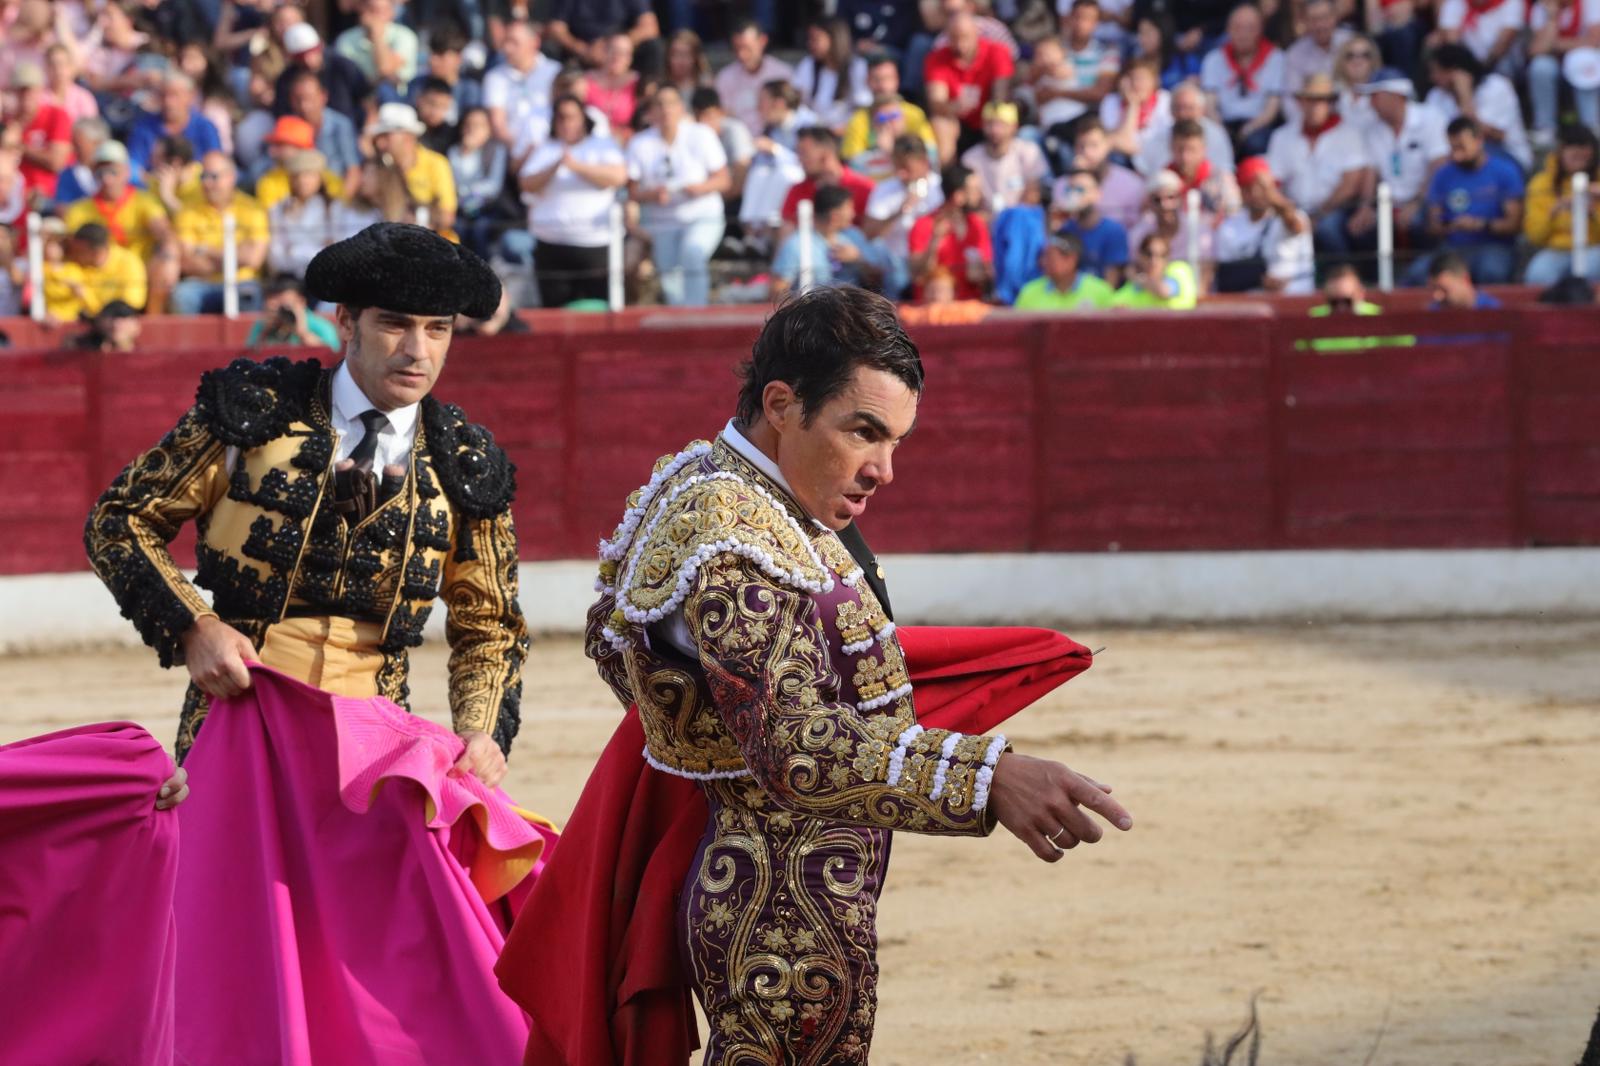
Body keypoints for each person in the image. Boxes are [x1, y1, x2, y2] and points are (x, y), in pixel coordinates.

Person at [551, 284, 1130, 1064]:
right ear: (782, 404)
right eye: (863, 433)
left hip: (772, 873)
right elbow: (798, 750)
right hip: (774, 901)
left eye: (894, 442)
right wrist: (987, 775)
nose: (884, 470)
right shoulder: (732, 539)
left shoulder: (735, 493)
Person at [87, 220, 523, 762]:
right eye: (394, 324)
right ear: (345, 321)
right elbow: (121, 519)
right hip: (237, 729)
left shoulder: (463, 463)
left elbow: (490, 625)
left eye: (438, 329)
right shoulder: (256, 414)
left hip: (377, 751)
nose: (418, 351)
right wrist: (193, 626)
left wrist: (481, 733)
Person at [626, 84, 729, 306]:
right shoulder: (639, 142)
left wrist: (699, 188)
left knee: (693, 253)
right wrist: (652, 195)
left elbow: (723, 179)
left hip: (703, 216)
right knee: (669, 278)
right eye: (660, 105)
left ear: (681, 108)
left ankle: (698, 317)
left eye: (671, 104)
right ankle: (679, 321)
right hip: (663, 222)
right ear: (651, 111)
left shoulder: (701, 134)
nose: (666, 110)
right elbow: (632, 191)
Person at [522, 93, 627, 308]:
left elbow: (617, 177)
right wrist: (555, 165)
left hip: (595, 243)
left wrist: (577, 166)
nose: (567, 123)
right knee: (554, 309)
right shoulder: (545, 148)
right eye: (561, 118)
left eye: (572, 117)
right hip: (551, 243)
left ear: (583, 119)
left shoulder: (602, 145)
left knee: (597, 307)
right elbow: (526, 183)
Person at [1265, 72, 1373, 258]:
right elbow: (1273, 182)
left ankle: (1341, 275)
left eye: (1321, 101)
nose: (1314, 106)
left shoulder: (1349, 134)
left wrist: (1320, 214)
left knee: (1329, 228)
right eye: (1309, 100)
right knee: (1274, 228)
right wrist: (1289, 212)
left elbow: (1351, 184)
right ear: (1300, 103)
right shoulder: (1282, 136)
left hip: (1336, 209)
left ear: (1330, 104)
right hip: (1294, 210)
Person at [1411, 116, 1524, 285]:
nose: (1457, 155)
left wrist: (1480, 225)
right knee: (1417, 274)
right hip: (1453, 247)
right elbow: (1433, 222)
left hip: (1494, 245)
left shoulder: (1505, 171)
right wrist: (1446, 224)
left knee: (1491, 272)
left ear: (1479, 140)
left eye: (1462, 148)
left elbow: (1514, 224)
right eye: (1452, 148)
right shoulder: (1443, 174)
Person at [1357, 70, 1449, 248]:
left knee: (1418, 221)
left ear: (1396, 95)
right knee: (1359, 226)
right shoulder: (1373, 130)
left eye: (1376, 96)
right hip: (1386, 205)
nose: (1371, 103)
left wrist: (1416, 203)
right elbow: (1371, 172)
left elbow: (1438, 167)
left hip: (1425, 200)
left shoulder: (1430, 118)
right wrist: (1365, 207)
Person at [171, 152, 269, 314]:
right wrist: (234, 257)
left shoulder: (252, 209)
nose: (207, 183)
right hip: (202, 283)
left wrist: (204, 250)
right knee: (182, 296)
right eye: (203, 176)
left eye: (214, 177)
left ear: (231, 177)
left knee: (249, 295)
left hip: (242, 282)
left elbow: (253, 259)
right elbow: (187, 262)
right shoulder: (187, 211)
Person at [1423, 43, 1533, 172]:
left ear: (1454, 72)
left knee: (1478, 151)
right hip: (1456, 156)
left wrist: (1465, 96)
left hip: (1506, 156)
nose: (1432, 78)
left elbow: (1493, 136)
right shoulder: (1435, 96)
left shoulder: (1496, 87)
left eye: (1436, 71)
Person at [770, 182, 893, 295]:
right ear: (835, 215)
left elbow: (879, 280)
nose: (853, 214)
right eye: (849, 208)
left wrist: (858, 260)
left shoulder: (854, 236)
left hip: (852, 311)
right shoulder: (797, 245)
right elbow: (778, 289)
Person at [924, 10, 1015, 163]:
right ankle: (947, 176)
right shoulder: (937, 59)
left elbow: (1001, 96)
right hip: (958, 124)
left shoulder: (997, 52)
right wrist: (955, 107)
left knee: (1001, 119)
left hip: (988, 118)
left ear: (976, 33)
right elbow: (936, 102)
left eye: (965, 37)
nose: (960, 45)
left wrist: (989, 117)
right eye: (954, 38)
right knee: (941, 123)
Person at [1214, 155, 1314, 294]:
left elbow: (1296, 226)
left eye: (1262, 188)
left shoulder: (1291, 216)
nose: (1256, 194)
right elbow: (1225, 274)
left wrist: (1271, 194)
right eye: (1248, 187)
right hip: (1253, 304)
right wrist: (1258, 279)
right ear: (1241, 191)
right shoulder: (1230, 226)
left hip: (1295, 298)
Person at [61, 141, 171, 265]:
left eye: (113, 171)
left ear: (126, 172)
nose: (106, 179)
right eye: (100, 172)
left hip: (137, 276)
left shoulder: (145, 201)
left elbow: (165, 235)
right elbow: (71, 246)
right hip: (94, 276)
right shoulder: (78, 209)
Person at [861, 133, 942, 298]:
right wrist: (900, 211)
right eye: (897, 167)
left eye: (907, 168)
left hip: (932, 261)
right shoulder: (884, 190)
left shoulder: (940, 188)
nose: (901, 174)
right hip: (896, 264)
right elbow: (869, 234)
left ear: (924, 162)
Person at [1200, 3, 1285, 158]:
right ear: (1228, 29)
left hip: (1258, 124)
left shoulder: (1275, 58)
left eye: (1250, 28)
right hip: (1223, 123)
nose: (1243, 34)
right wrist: (1221, 130)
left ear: (1260, 29)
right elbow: (1209, 104)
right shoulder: (1214, 59)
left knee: (1256, 142)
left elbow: (1272, 108)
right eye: (1237, 28)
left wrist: (1248, 129)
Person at [1524, 123, 1600, 285]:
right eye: (1572, 147)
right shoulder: (1541, 184)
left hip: (1594, 248)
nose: (1578, 153)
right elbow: (1534, 236)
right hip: (1556, 250)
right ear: (1560, 151)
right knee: (1538, 275)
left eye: (1584, 147)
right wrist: (1555, 211)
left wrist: (1593, 213)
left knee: (1591, 270)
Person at [368, 102, 457, 234]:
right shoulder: (379, 167)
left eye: (387, 136)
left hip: (435, 245)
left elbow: (447, 217)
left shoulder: (436, 164)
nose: (380, 143)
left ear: (408, 137)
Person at [908, 162, 992, 299]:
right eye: (975, 190)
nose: (980, 195)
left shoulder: (976, 225)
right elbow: (917, 274)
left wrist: (982, 274)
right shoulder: (924, 225)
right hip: (933, 311)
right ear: (958, 196)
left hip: (970, 308)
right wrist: (934, 242)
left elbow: (986, 271)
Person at [1031, 0, 1119, 132]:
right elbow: (1034, 84)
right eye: (1077, 16)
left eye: (1088, 19)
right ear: (1069, 18)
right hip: (1051, 119)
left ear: (1096, 23)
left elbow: (1100, 93)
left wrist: (1057, 93)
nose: (1081, 23)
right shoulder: (1054, 49)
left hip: (1086, 123)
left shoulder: (1107, 52)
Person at [483, 20, 560, 164]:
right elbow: (498, 124)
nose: (507, 48)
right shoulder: (494, 77)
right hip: (511, 155)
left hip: (551, 152)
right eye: (505, 42)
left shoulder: (555, 72)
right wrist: (521, 153)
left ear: (535, 42)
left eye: (514, 42)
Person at [1527, 0, 1600, 147]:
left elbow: (1595, 41)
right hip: (1556, 67)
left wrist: (1554, 45)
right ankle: (1545, 127)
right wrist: (1552, 18)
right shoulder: (1542, 8)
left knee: (1583, 60)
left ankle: (1591, 124)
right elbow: (1536, 50)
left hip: (1584, 64)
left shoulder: (1592, 3)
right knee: (1540, 67)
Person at [43, 222, 147, 321]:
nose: (74, 255)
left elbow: (130, 307)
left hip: (116, 324)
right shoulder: (74, 266)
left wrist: (84, 295)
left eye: (79, 251)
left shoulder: (129, 263)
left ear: (96, 252)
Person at [1135, 80, 1235, 184]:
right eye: (1178, 108)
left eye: (1189, 108)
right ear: (1170, 110)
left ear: (1201, 110)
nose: (1183, 114)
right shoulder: (1159, 135)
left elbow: (1225, 171)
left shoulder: (1216, 134)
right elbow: (1143, 169)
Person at [841, 53, 935, 162]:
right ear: (867, 81)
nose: (883, 86)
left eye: (888, 78)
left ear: (897, 80)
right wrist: (877, 151)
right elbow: (852, 163)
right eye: (876, 79)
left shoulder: (914, 114)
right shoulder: (858, 119)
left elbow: (932, 157)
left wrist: (899, 146)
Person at [127, 72, 221, 179]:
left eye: (174, 95)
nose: (168, 102)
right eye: (163, 95)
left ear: (190, 96)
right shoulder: (144, 127)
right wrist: (151, 179)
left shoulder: (205, 127)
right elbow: (133, 166)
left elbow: (215, 163)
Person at [274, 22, 371, 126]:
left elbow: (368, 99)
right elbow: (283, 115)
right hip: (304, 134)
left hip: (350, 129)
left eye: (311, 52)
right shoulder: (286, 80)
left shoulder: (342, 66)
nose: (308, 60)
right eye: (301, 56)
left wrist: (366, 132)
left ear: (321, 46)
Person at [960, 100, 1046, 212]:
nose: (994, 130)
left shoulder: (1029, 152)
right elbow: (971, 200)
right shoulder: (970, 159)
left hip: (1019, 218)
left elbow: (1033, 194)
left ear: (1014, 126)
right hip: (986, 219)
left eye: (1001, 124)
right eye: (989, 124)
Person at [286, 68, 362, 192]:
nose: (304, 106)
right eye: (299, 99)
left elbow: (353, 171)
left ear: (323, 96)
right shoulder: (288, 127)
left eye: (309, 98)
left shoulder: (341, 125)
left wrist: (340, 204)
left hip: (335, 194)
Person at [781, 125, 876, 225]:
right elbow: (787, 229)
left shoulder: (864, 188)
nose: (799, 159)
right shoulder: (798, 191)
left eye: (804, 153)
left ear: (826, 154)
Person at [449, 106, 509, 261]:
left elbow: (493, 187)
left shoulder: (496, 150)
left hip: (487, 209)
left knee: (479, 230)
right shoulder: (454, 152)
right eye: (468, 124)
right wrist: (466, 154)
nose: (471, 129)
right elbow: (452, 183)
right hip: (460, 210)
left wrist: (466, 192)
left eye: (478, 125)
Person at [266, 150, 337, 280]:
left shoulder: (334, 207)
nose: (302, 181)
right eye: (297, 175)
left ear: (320, 177)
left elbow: (334, 252)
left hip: (325, 277)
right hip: (290, 279)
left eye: (309, 174)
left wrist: (293, 251)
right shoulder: (278, 209)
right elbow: (276, 257)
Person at [715, 20, 794, 135]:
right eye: (737, 49)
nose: (742, 55)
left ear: (763, 41)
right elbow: (722, 117)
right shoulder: (725, 78)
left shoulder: (783, 74)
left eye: (747, 48)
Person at [6, 62, 70, 200]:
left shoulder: (56, 116)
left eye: (30, 89)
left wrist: (18, 147)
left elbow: (56, 162)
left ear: (40, 90)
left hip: (46, 196)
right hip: (10, 195)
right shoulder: (7, 122)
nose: (26, 95)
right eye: (21, 90)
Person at [1054, 166, 1129, 285]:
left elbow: (1110, 285)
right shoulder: (1065, 229)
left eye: (1079, 190)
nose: (1074, 196)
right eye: (1069, 190)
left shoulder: (1113, 231)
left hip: (1098, 300)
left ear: (1097, 194)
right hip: (1068, 299)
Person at [792, 17, 870, 131]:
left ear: (834, 39)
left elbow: (862, 106)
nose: (810, 44)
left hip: (847, 132)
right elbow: (796, 100)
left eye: (816, 39)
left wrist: (843, 128)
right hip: (815, 132)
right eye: (809, 39)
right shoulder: (808, 64)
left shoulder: (856, 66)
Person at [333, 0, 417, 101]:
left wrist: (376, 36)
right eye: (371, 9)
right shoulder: (345, 39)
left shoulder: (405, 36)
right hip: (357, 99)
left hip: (398, 100)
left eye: (380, 11)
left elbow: (385, 68)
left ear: (391, 13)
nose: (375, 16)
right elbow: (346, 79)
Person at [254, 115, 344, 208]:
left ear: (301, 148)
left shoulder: (330, 181)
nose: (272, 151)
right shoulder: (269, 182)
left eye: (280, 145)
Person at [1014, 230, 1116, 309]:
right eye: (1043, 256)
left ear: (1071, 259)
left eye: (1050, 258)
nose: (1043, 262)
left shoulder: (1101, 292)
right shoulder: (1029, 293)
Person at [544, 0, 660, 69]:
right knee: (549, 48)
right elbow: (556, 27)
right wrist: (582, 49)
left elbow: (650, 26)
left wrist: (617, 45)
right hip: (580, 52)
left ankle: (648, 93)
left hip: (620, 50)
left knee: (653, 47)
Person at [405, 23, 481, 125]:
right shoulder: (416, 85)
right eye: (431, 53)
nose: (432, 60)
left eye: (441, 55)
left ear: (459, 58)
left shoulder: (470, 91)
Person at [1100, 57, 1172, 164]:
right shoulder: (1111, 101)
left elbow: (1163, 139)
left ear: (1154, 82)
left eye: (1142, 78)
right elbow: (1116, 141)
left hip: (1156, 157)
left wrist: (1135, 149)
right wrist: (1132, 105)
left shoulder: (1165, 100)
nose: (1136, 84)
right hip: (1125, 157)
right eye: (1132, 78)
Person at [1434, 0, 1526, 75]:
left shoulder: (1512, 2)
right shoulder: (1456, 3)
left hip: (1499, 61)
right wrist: (1468, 67)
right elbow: (1452, 42)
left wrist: (1482, 70)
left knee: (1504, 64)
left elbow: (1504, 41)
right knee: (1436, 48)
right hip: (1468, 62)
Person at [1283, 0, 1352, 99]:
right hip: (1311, 113)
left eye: (1325, 17)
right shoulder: (1295, 54)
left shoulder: (1351, 44)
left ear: (1335, 17)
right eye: (1314, 20)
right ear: (1305, 21)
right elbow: (1290, 97)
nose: (1320, 25)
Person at [247, 275, 339, 347]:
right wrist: (264, 333)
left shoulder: (320, 325)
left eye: (286, 306)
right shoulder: (262, 325)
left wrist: (303, 333)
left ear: (301, 302)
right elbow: (249, 359)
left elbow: (331, 355)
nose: (281, 311)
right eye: (275, 307)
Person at [1111, 232, 1199, 308]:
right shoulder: (1130, 290)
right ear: (1139, 255)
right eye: (1149, 254)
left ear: (1168, 257)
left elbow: (1163, 291)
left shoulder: (1180, 270)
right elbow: (1115, 305)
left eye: (1162, 255)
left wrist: (1137, 278)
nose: (1154, 261)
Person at [587, 34, 641, 133]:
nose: (617, 57)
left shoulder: (639, 84)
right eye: (613, 51)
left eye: (623, 53)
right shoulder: (585, 81)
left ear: (630, 58)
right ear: (604, 52)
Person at [1429, 248, 1503, 307]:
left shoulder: (1493, 311)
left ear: (1465, 279)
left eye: (1444, 289)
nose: (1437, 297)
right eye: (1433, 289)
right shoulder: (1432, 313)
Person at [70, 298, 143, 352]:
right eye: (112, 319)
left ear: (136, 327)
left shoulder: (141, 357)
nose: (116, 324)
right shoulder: (81, 346)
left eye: (122, 318)